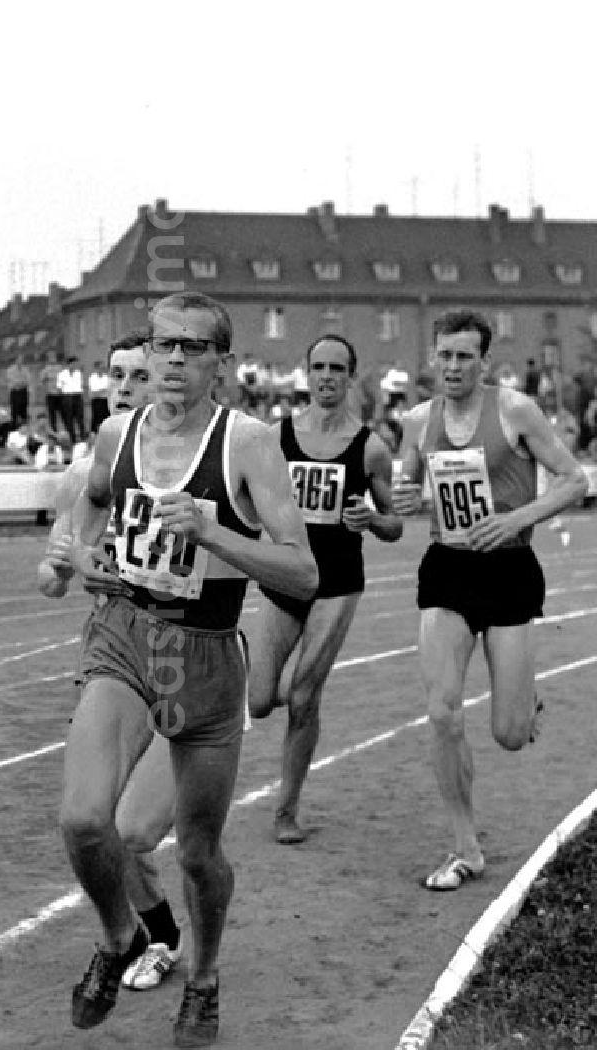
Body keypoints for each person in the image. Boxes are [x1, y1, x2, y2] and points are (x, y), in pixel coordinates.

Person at [61, 291, 317, 1046]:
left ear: (221, 362)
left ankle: (203, 978)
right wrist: (82, 553)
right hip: (127, 636)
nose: (174, 360)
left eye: (192, 348)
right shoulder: (117, 432)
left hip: (205, 655)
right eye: (164, 345)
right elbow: (93, 503)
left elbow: (300, 572)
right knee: (83, 820)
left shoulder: (248, 444)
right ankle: (119, 941)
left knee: (199, 857)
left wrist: (214, 533)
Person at [392, 309, 587, 892]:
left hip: (509, 569)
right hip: (448, 569)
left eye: (463, 357)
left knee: (508, 732)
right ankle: (464, 846)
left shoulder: (515, 411)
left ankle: (525, 700)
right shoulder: (415, 422)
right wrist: (402, 505)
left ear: (484, 362)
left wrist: (515, 520)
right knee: (442, 711)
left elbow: (574, 479)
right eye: (444, 355)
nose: (452, 367)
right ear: (432, 358)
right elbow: (414, 497)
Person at [39, 331, 185, 995]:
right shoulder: (89, 468)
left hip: (186, 655)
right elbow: (55, 565)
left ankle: (165, 934)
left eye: (137, 377)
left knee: (146, 824)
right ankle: (158, 936)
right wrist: (65, 564)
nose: (123, 388)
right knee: (106, 821)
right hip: (113, 652)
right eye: (115, 376)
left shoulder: (199, 457)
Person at [246, 333, 403, 844]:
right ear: (306, 374)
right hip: (285, 575)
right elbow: (249, 499)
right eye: (319, 367)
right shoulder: (276, 438)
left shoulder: (371, 448)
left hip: (337, 582)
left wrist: (371, 519)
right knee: (260, 700)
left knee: (305, 698)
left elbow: (396, 524)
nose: (327, 376)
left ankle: (286, 811)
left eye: (338, 367)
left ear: (350, 376)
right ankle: (257, 662)